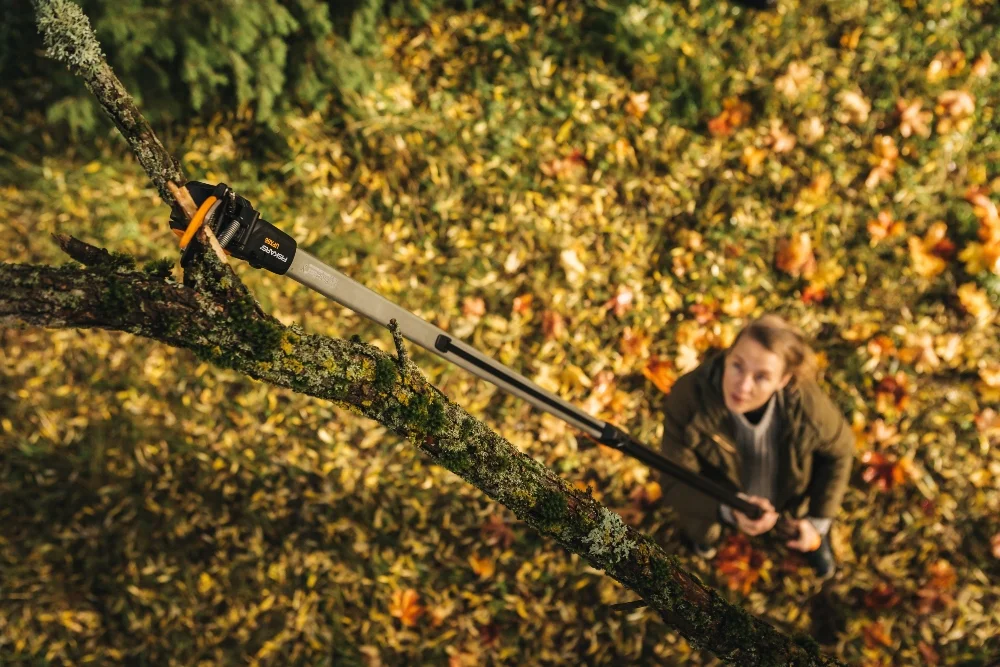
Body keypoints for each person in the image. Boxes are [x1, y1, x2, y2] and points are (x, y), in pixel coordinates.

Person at [659, 314, 854, 580]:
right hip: (718, 493)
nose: (742, 386)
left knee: (805, 533)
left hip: (788, 497)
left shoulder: (806, 405)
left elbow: (841, 451)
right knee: (700, 524)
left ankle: (814, 542)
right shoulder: (689, 397)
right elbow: (674, 482)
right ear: (727, 355)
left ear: (783, 380)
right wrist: (728, 509)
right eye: (737, 365)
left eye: (761, 377)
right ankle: (704, 541)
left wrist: (817, 521)